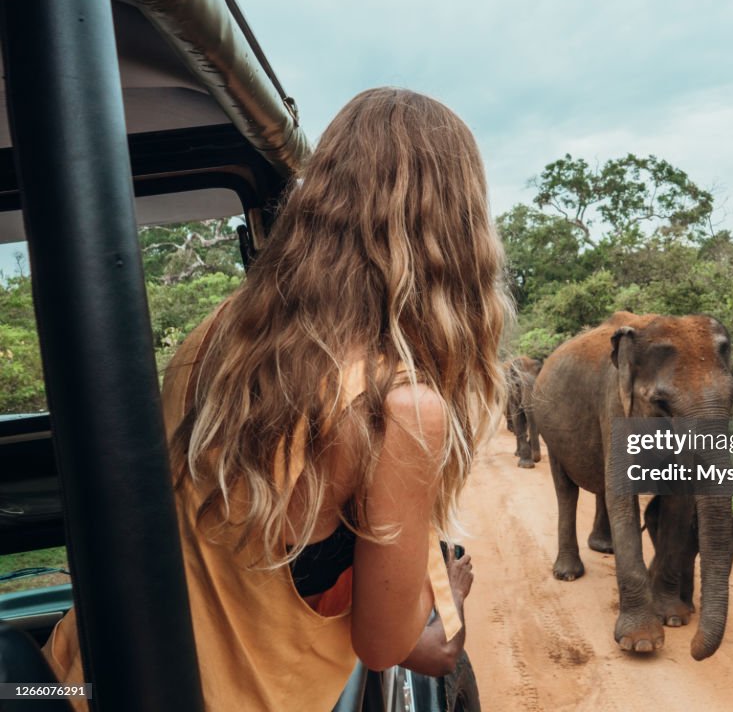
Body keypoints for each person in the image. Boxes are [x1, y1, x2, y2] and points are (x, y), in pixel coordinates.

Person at [43, 87, 508, 710]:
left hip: (84, 674)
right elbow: (387, 645)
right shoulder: (398, 407)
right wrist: (442, 589)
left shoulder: (218, 335)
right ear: (458, 235)